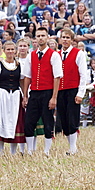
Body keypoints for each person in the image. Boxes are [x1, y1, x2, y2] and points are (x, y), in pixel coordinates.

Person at [22, 27, 63, 155]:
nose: (40, 38)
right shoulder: (31, 55)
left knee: (48, 121)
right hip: (34, 92)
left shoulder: (54, 55)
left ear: (47, 37)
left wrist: (54, 97)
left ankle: (46, 150)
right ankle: (30, 150)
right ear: (35, 38)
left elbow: (57, 77)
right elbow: (27, 77)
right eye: (38, 36)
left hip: (48, 92)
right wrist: (25, 96)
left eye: (43, 35)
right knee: (29, 121)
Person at [57, 29, 87, 154]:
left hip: (73, 89)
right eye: (63, 37)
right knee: (63, 118)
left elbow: (83, 74)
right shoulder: (56, 54)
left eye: (67, 37)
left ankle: (73, 147)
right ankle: (70, 146)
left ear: (72, 40)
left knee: (72, 118)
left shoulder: (78, 53)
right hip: (60, 90)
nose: (65, 40)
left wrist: (80, 93)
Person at [0, 41, 26, 155]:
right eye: (8, 49)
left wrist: (25, 96)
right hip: (2, 95)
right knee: (2, 121)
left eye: (12, 49)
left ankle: (13, 152)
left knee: (15, 122)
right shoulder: (0, 64)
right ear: (4, 51)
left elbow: (22, 81)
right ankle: (0, 151)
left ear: (15, 51)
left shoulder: (19, 65)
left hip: (15, 95)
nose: (10, 52)